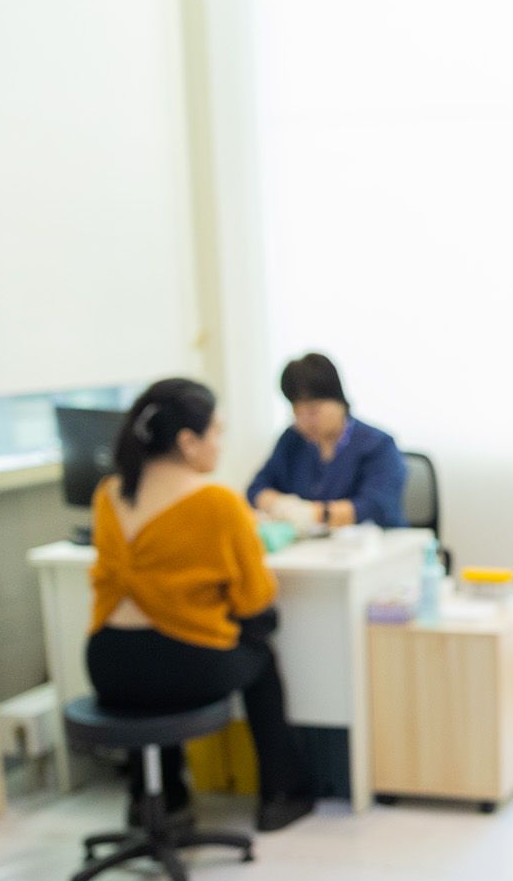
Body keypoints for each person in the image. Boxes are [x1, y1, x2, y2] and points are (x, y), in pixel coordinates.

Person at [86, 378, 314, 832]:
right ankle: (281, 794)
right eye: (216, 433)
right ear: (188, 441)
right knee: (258, 653)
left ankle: (156, 798)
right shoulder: (216, 502)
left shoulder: (108, 494)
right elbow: (255, 597)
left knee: (152, 669)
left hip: (108, 663)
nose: (220, 445)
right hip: (185, 668)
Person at [248, 352, 407, 528]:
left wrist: (316, 514)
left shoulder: (378, 445)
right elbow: (256, 489)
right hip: (311, 542)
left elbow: (376, 506)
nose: (304, 422)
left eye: (312, 411)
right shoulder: (292, 440)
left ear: (338, 401)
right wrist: (282, 505)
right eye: (297, 412)